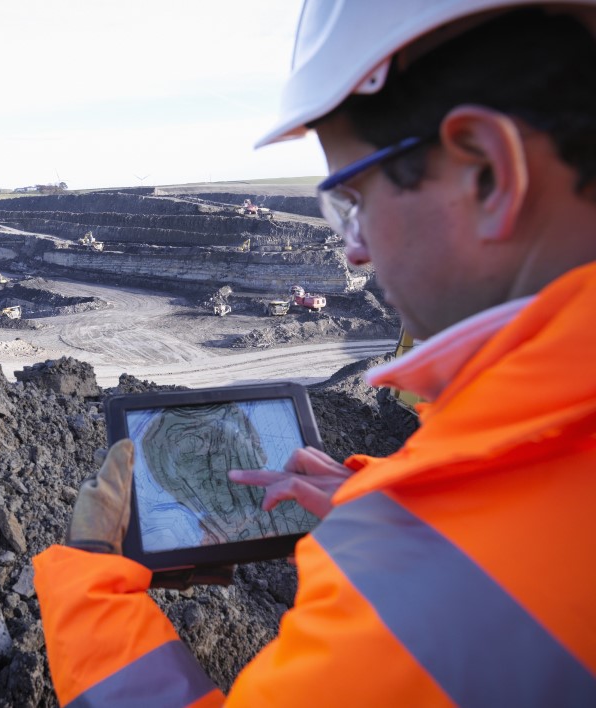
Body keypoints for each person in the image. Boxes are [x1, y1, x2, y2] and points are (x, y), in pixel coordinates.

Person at [33, 0, 596, 705]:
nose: (353, 249)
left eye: (352, 198)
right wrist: (394, 505)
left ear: (486, 172)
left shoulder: (427, 602)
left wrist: (88, 572)